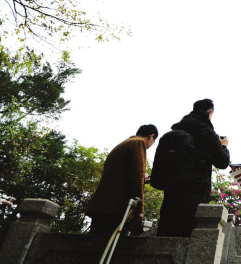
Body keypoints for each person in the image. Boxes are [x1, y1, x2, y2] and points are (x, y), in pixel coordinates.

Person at [157, 99, 230, 237]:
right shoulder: (206, 132)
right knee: (186, 238)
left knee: (165, 235)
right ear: (209, 112)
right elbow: (222, 162)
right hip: (194, 196)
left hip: (171, 195)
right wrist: (223, 146)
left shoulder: (178, 130)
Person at [87, 124, 158, 235]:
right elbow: (136, 178)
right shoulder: (139, 143)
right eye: (153, 142)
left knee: (93, 244)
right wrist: (140, 210)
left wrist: (142, 179)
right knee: (117, 246)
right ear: (151, 136)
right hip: (116, 207)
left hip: (101, 204)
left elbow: (120, 175)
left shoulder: (122, 145)